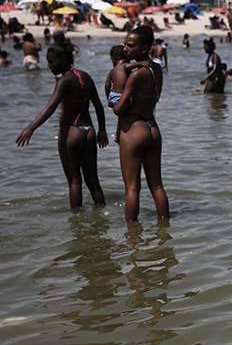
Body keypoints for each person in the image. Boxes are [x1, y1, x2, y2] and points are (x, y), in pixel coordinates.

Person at [15, 43, 108, 209]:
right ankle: (102, 215)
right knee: (93, 180)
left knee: (74, 181)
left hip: (71, 131)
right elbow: (99, 106)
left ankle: (76, 223)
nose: (49, 65)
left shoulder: (64, 81)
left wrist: (30, 128)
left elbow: (50, 108)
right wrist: (102, 130)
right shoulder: (85, 76)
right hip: (89, 131)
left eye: (52, 61)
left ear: (64, 60)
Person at [113, 26, 168, 221]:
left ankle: (132, 238)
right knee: (157, 185)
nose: (125, 49)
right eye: (124, 44)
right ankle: (164, 230)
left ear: (144, 48)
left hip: (134, 128)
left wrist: (113, 98)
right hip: (152, 127)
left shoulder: (137, 74)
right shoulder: (157, 70)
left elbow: (120, 109)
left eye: (130, 45)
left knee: (132, 188)